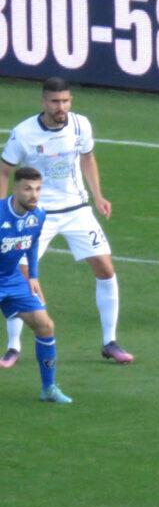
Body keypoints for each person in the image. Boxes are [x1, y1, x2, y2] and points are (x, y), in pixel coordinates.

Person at [0, 77, 132, 368]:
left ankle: (110, 342)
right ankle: (13, 347)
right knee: (19, 275)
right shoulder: (23, 133)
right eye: (55, 102)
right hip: (37, 213)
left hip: (76, 209)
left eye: (65, 101)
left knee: (105, 267)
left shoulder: (81, 125)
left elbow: (88, 159)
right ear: (43, 102)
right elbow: (4, 171)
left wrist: (98, 196)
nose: (61, 107)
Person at [0, 168, 71, 402]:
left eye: (38, 189)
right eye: (28, 189)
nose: (34, 195)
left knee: (45, 326)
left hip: (12, 279)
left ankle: (48, 389)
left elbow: (32, 243)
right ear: (15, 190)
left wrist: (33, 276)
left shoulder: (38, 214)